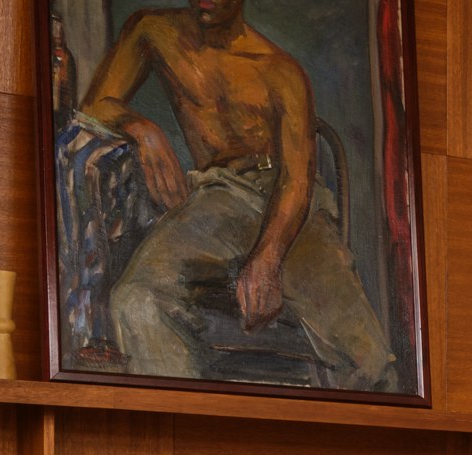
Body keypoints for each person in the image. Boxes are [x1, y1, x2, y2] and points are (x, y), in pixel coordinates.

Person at [77, 0, 396, 390]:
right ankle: (183, 429)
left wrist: (268, 257)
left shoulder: (282, 71)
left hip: (289, 209)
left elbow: (296, 180)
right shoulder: (153, 31)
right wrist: (142, 129)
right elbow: (94, 103)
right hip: (216, 198)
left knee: (370, 358)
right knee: (135, 298)